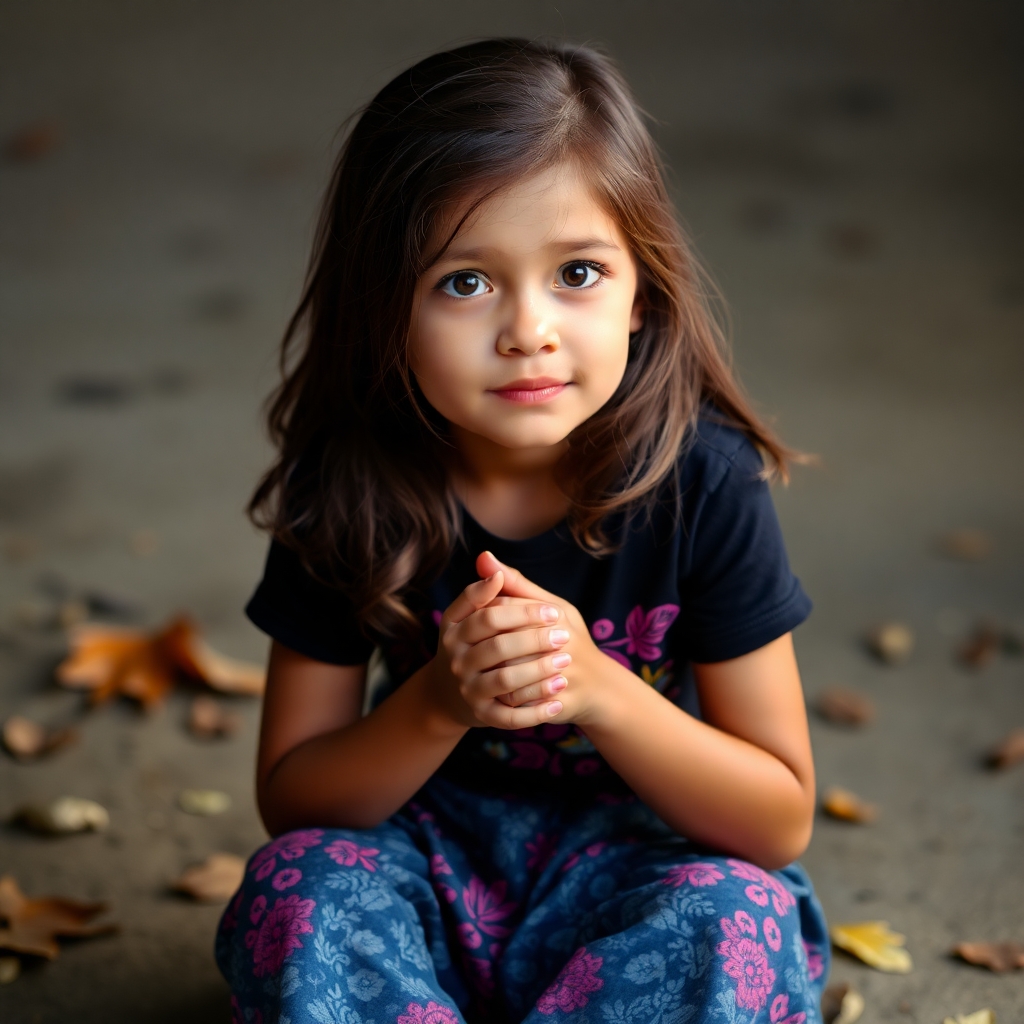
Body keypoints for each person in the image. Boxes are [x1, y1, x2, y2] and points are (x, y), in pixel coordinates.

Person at [216, 38, 829, 1024]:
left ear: (644, 292)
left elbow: (775, 819)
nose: (527, 329)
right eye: (465, 282)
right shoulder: (345, 487)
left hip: (638, 866)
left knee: (734, 916)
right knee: (300, 892)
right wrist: (438, 701)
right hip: (424, 866)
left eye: (578, 271)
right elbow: (295, 806)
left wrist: (598, 690)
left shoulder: (705, 486)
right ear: (386, 314)